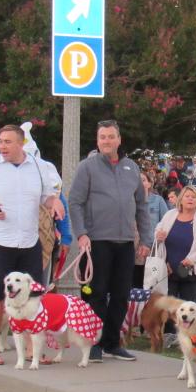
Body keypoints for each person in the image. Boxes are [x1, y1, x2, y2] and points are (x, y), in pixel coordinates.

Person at [0, 124, 64, 365]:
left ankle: (32, 349)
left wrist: (55, 202)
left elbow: (47, 195)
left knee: (32, 295)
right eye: (1, 141)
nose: (3, 146)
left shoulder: (39, 167)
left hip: (29, 240)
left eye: (8, 142)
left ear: (21, 144)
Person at [68, 119, 150, 362]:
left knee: (122, 294)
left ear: (119, 139)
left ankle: (112, 343)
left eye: (111, 136)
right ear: (97, 140)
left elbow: (142, 207)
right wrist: (81, 233)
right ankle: (91, 343)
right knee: (95, 293)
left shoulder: (131, 168)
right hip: (96, 241)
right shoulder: (87, 167)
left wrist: (145, 239)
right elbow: (75, 202)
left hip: (125, 242)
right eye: (102, 137)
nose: (106, 141)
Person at [155, 186, 196, 303]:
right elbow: (158, 230)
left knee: (190, 311)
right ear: (181, 199)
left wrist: (192, 259)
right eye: (187, 196)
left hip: (192, 274)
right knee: (168, 312)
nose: (190, 199)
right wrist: (158, 235)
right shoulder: (170, 215)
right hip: (168, 273)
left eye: (194, 197)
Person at [134, 171, 169, 287]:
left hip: (154, 247)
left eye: (143, 180)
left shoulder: (158, 200)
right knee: (137, 281)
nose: (140, 183)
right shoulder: (129, 201)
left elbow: (166, 222)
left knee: (152, 283)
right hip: (135, 248)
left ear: (149, 183)